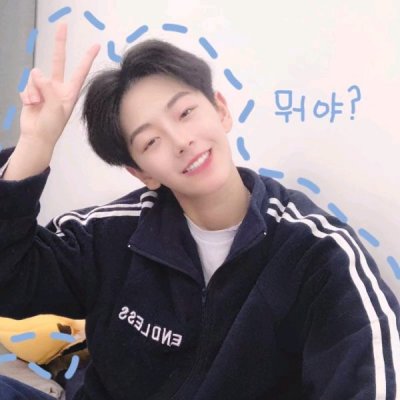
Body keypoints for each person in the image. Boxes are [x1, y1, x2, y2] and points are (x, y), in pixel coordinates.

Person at [0, 23, 399, 400]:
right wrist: (37, 142)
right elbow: (11, 277)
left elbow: (374, 377)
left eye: (185, 113)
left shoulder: (317, 255)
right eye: (151, 141)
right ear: (141, 173)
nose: (180, 141)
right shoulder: (109, 234)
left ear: (220, 109)